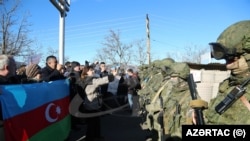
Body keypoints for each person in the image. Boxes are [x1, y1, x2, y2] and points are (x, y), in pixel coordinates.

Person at [191, 20, 250, 125]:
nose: (227, 65)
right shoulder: (228, 83)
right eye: (226, 59)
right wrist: (202, 115)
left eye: (233, 58)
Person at [76, 65, 115, 141]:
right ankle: (90, 137)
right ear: (86, 72)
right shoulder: (91, 80)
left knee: (95, 121)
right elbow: (103, 80)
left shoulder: (82, 79)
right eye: (91, 70)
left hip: (88, 102)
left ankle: (96, 135)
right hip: (92, 103)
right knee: (92, 122)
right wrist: (113, 75)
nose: (93, 71)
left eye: (93, 70)